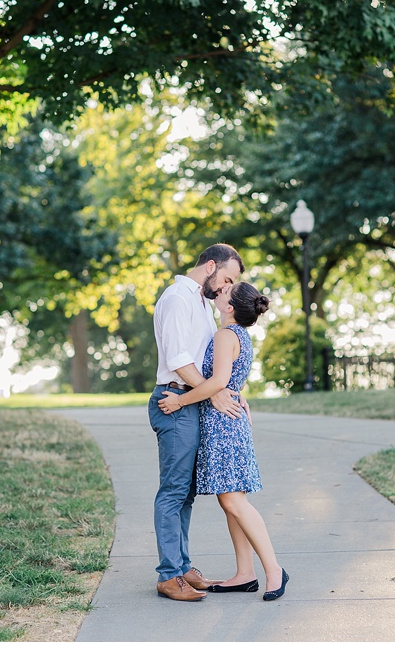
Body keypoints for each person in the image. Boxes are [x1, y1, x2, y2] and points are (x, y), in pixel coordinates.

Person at [158, 281, 289, 602]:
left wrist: (180, 401)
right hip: (226, 422)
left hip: (224, 425)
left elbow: (217, 382)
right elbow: (227, 382)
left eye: (228, 291)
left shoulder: (224, 335)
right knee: (229, 502)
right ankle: (245, 574)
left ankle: (274, 569)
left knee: (233, 501)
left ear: (230, 307)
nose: (221, 290)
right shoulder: (238, 335)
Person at [149, 243, 246, 602]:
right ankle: (168, 575)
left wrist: (226, 388)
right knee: (173, 491)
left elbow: (212, 362)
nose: (226, 288)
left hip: (192, 401)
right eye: (227, 278)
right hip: (173, 400)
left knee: (186, 493)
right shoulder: (177, 297)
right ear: (210, 266)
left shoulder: (203, 304)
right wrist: (213, 392)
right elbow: (178, 359)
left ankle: (183, 566)